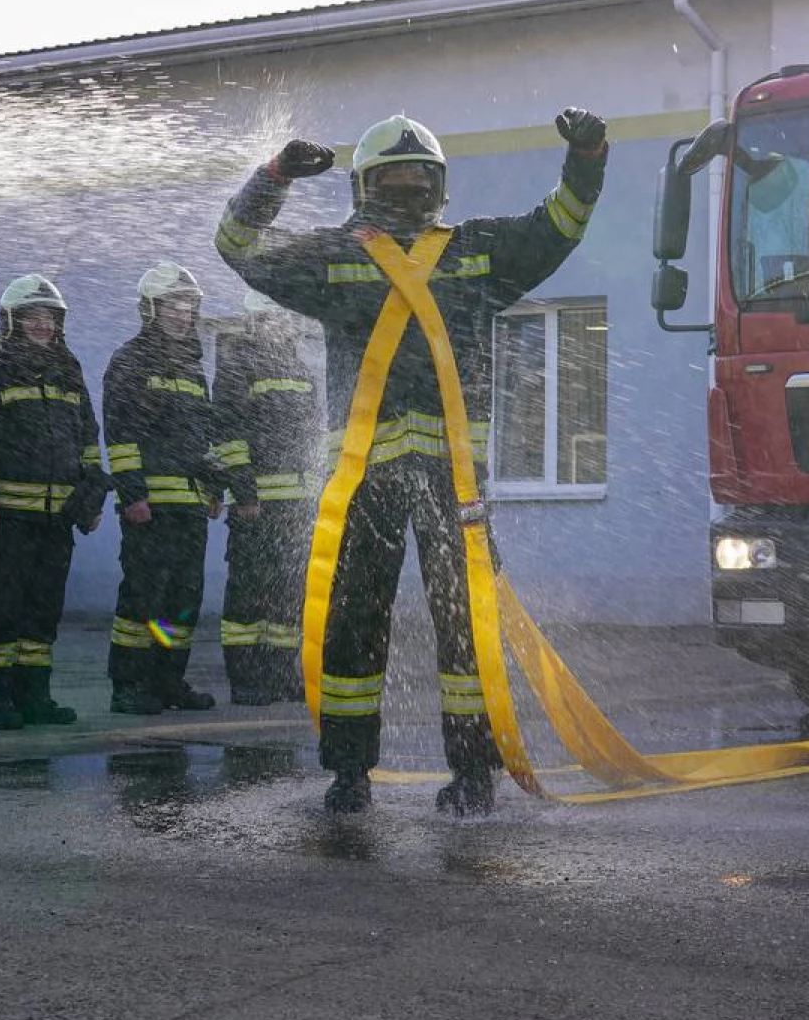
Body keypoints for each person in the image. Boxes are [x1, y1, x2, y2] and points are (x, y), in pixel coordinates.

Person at [214, 108, 607, 815]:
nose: (405, 190)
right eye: (393, 180)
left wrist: (588, 155)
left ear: (437, 186)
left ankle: (472, 771)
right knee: (357, 626)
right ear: (367, 185)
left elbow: (561, 223)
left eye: (415, 178)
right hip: (373, 485)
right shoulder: (339, 255)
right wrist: (270, 181)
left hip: (446, 484)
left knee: (465, 628)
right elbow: (238, 245)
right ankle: (349, 772)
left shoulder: (474, 249)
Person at [0, 275, 110, 729]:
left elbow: (88, 444)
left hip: (57, 519)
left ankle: (34, 697)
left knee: (43, 610)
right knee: (2, 608)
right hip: (6, 517)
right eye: (32, 318)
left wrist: (91, 500)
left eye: (49, 319)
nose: (42, 326)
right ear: (11, 322)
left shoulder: (68, 371)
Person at [102, 262, 224, 715]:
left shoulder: (193, 369)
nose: (181, 312)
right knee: (143, 599)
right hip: (149, 507)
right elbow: (122, 433)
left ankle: (168, 679)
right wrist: (132, 495)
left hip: (189, 507)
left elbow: (203, 437)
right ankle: (128, 685)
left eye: (188, 304)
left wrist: (215, 488)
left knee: (181, 601)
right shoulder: (130, 360)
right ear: (150, 309)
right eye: (172, 304)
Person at [212, 289, 322, 705]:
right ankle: (246, 680)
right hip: (256, 507)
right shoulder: (238, 366)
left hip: (296, 507)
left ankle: (279, 675)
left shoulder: (300, 370)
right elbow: (229, 436)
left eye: (283, 321)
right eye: (270, 321)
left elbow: (311, 437)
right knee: (248, 593)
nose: (279, 328)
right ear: (255, 324)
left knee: (287, 594)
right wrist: (244, 493)